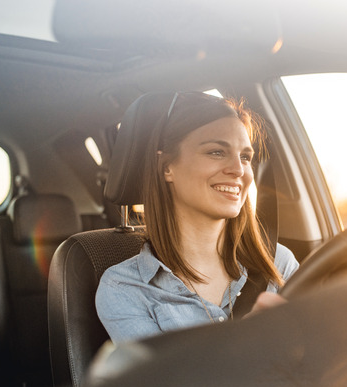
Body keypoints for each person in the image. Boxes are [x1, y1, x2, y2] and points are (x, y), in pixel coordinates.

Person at [96, 92, 299, 344]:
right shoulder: (125, 288)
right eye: (216, 152)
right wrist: (247, 344)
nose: (238, 170)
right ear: (167, 167)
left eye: (245, 157)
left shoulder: (279, 263)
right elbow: (166, 384)